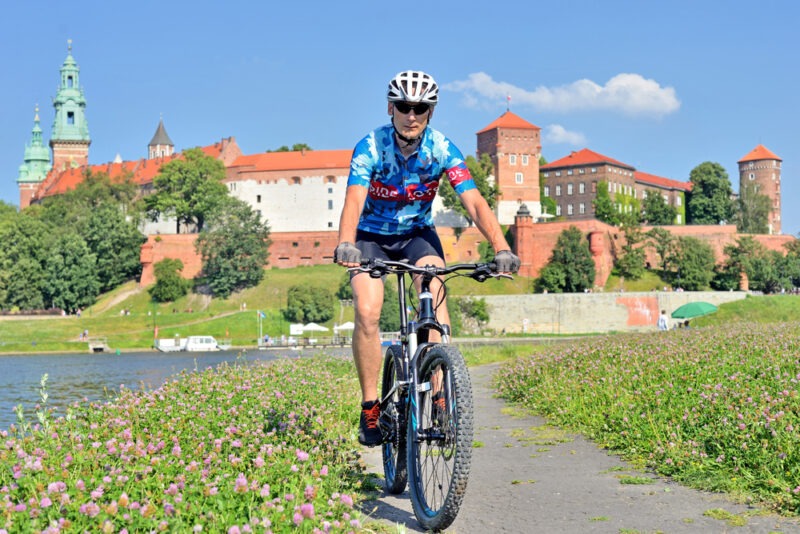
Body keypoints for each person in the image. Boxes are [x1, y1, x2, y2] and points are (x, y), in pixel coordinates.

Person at [333, 70, 520, 446]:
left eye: (420, 107)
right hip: (370, 236)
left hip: (417, 235)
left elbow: (473, 201)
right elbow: (354, 199)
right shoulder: (370, 147)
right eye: (404, 106)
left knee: (435, 298)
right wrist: (345, 242)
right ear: (391, 107)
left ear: (431, 112)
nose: (412, 114)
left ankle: (439, 390)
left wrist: (501, 247)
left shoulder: (442, 149)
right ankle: (370, 406)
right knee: (368, 311)